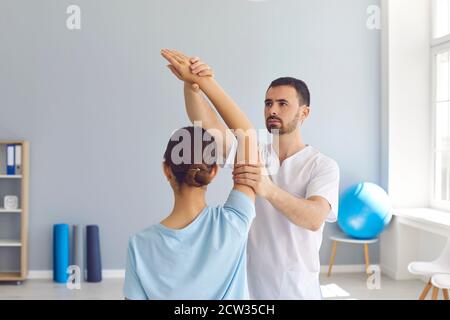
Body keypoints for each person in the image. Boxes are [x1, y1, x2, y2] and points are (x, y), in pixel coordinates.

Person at [184, 58, 340, 299]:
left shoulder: (322, 165)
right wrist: (192, 85)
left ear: (304, 113)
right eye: (268, 103)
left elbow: (314, 218)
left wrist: (266, 188)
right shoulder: (254, 152)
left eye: (282, 104)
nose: (272, 110)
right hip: (250, 288)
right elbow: (210, 125)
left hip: (298, 290)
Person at [123, 49, 258, 300]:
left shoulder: (139, 245)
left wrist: (192, 85)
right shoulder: (234, 224)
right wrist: (203, 82)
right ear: (214, 171)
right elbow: (247, 135)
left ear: (166, 169)